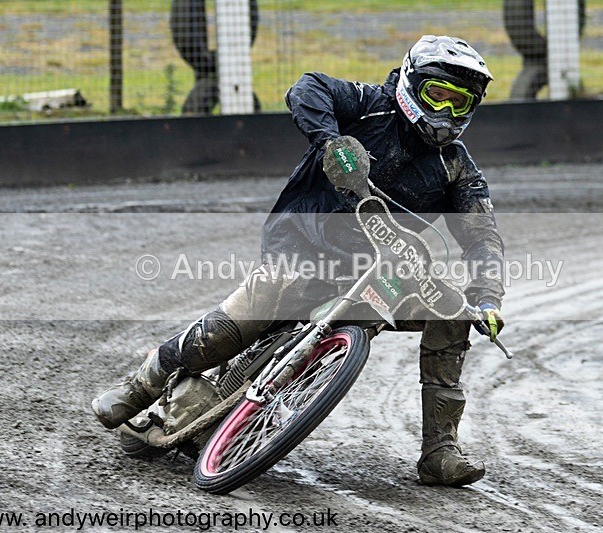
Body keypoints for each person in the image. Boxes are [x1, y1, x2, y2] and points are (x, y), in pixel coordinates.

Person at [92, 35, 505, 488]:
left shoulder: (457, 167)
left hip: (375, 272)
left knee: (454, 313)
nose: (445, 111)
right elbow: (307, 87)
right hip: (302, 242)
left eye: (459, 102)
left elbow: (482, 235)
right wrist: (332, 143)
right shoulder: (369, 105)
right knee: (249, 311)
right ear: (411, 84)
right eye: (437, 95)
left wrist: (486, 298)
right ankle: (140, 386)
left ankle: (440, 450)